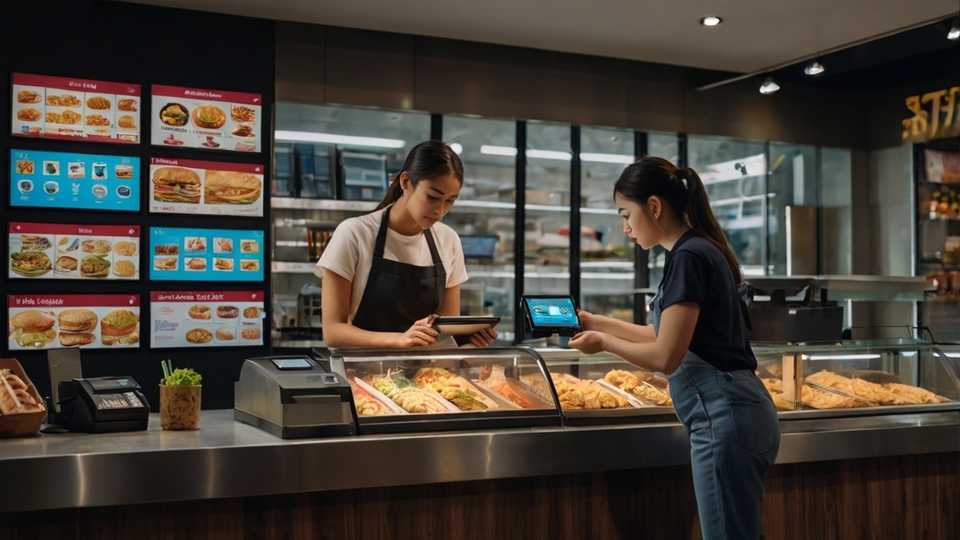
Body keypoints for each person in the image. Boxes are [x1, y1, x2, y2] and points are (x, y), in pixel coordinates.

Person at [569, 157, 780, 539]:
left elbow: (667, 356)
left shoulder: (687, 256)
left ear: (653, 206)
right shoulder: (696, 249)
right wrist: (595, 322)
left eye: (625, 214)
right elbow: (661, 334)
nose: (625, 228)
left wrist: (604, 344)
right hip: (738, 413)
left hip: (724, 417)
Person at [318, 140, 496, 349]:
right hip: (361, 371)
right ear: (405, 182)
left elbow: (447, 329)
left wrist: (469, 341)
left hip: (426, 376)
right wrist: (400, 339)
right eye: (432, 197)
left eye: (450, 201)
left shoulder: (449, 240)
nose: (440, 210)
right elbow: (333, 331)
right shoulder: (354, 234)